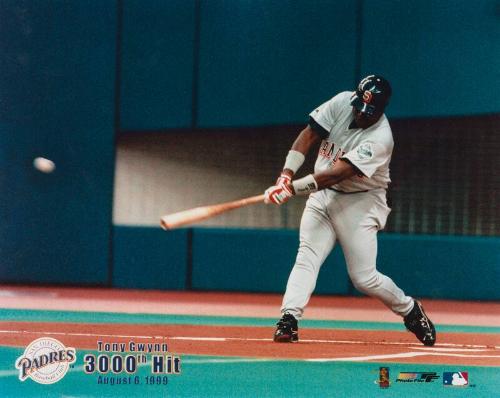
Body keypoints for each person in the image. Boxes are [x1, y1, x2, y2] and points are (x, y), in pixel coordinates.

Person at [264, 75, 436, 346]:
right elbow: (308, 134)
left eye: (368, 111)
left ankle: (410, 310)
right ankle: (288, 319)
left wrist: (292, 189)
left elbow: (338, 174)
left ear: (380, 110)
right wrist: (286, 175)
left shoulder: (381, 138)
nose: (360, 113)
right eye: (359, 106)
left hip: (360, 201)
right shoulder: (342, 101)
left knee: (364, 278)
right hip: (323, 196)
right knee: (307, 256)